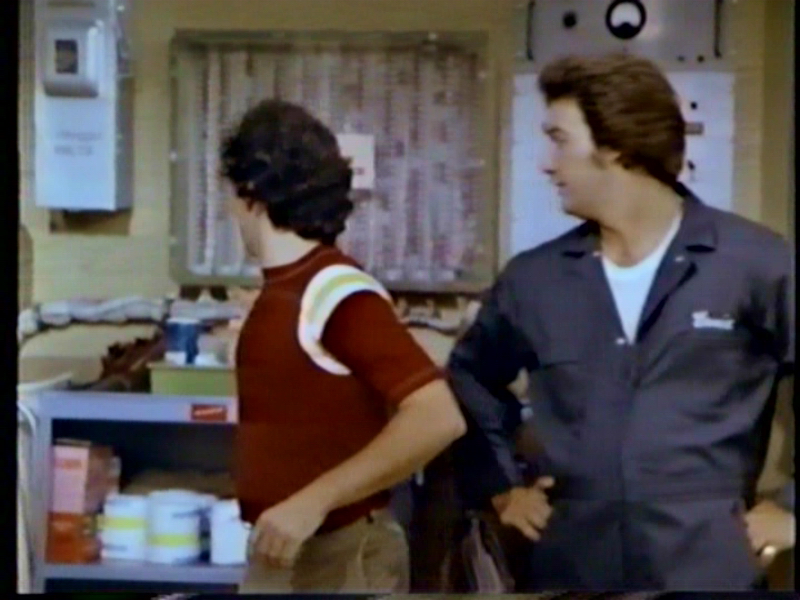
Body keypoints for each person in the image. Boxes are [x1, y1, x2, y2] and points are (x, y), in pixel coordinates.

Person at [447, 53, 795, 591]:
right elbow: (470, 377)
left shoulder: (754, 263)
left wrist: (791, 508)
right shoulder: (534, 279)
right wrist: (503, 487)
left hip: (709, 562)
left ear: (615, 144)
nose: (546, 164)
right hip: (572, 562)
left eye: (559, 140)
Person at [220, 99, 467, 593]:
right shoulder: (284, 292)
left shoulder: (334, 290)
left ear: (251, 195)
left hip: (338, 554)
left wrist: (312, 501)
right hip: (286, 550)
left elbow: (438, 417)